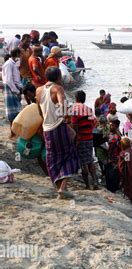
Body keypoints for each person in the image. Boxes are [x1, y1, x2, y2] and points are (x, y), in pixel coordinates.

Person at [36, 67, 80, 199]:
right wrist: (66, 117)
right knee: (70, 154)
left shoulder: (39, 90)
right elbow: (62, 104)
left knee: (53, 158)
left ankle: (60, 187)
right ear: (59, 77)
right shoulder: (57, 88)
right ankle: (63, 187)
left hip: (47, 129)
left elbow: (39, 110)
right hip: (58, 127)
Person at [71, 90, 99, 190]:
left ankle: (87, 185)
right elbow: (94, 123)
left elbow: (74, 124)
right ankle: (95, 182)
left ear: (76, 98)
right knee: (90, 160)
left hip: (81, 139)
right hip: (89, 138)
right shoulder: (89, 109)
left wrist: (77, 135)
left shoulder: (74, 109)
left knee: (83, 163)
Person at [2, 49, 23, 139]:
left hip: (14, 88)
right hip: (11, 88)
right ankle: (12, 132)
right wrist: (16, 91)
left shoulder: (13, 63)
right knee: (12, 112)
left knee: (16, 110)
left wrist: (19, 87)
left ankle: (15, 131)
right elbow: (9, 80)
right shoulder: (8, 64)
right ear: (17, 54)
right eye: (20, 53)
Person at [105, 119, 122, 192]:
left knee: (113, 174)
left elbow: (119, 146)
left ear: (116, 126)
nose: (110, 126)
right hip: (108, 156)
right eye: (110, 125)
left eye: (112, 125)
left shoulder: (117, 136)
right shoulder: (109, 134)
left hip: (114, 158)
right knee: (108, 173)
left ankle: (113, 188)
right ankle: (110, 187)